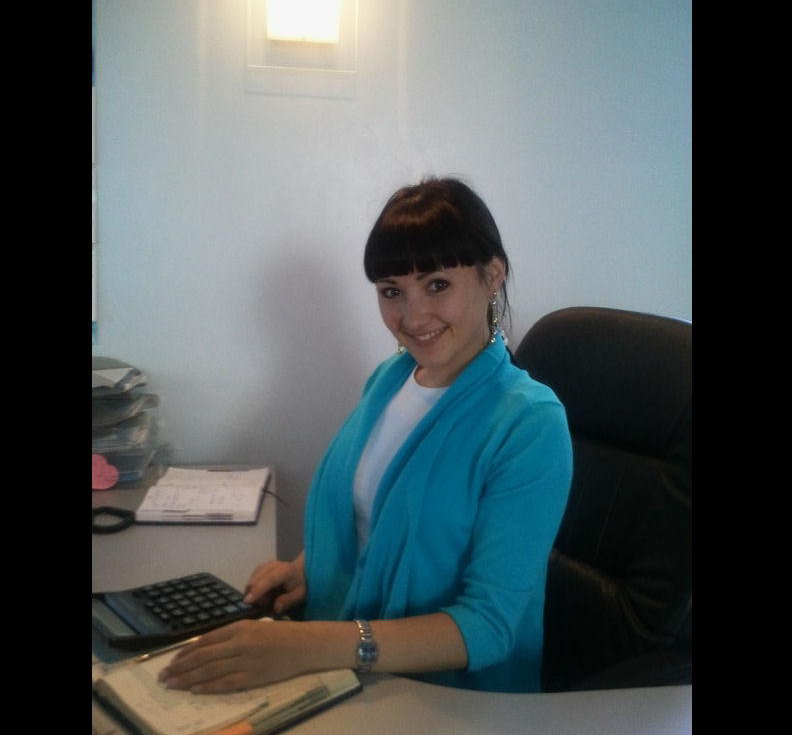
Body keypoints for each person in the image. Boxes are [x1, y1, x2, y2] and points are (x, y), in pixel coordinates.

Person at [159, 177, 573, 695]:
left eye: (437, 285)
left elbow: (488, 627)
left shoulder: (529, 423)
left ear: (492, 276)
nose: (412, 317)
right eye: (391, 291)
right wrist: (308, 568)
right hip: (353, 663)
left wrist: (307, 647)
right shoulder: (389, 380)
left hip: (448, 699)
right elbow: (373, 517)